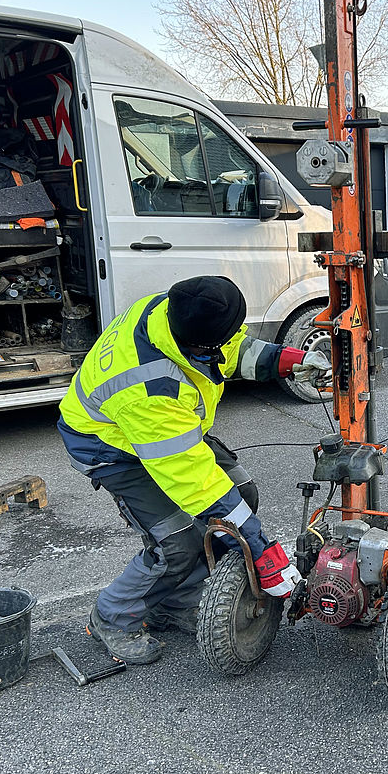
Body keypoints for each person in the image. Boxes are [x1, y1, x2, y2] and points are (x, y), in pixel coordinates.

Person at [57, 275, 330, 663]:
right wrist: (263, 548)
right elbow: (196, 482)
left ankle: (176, 598)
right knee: (178, 543)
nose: (230, 340)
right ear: (198, 344)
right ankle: (112, 617)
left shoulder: (176, 310)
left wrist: (286, 361)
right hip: (113, 449)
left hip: (168, 433)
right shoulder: (150, 390)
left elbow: (231, 347)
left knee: (242, 497)